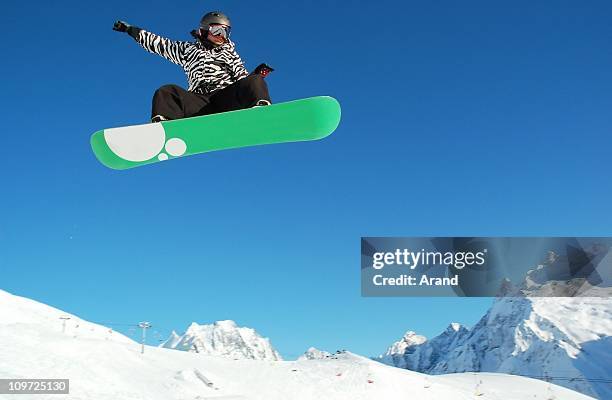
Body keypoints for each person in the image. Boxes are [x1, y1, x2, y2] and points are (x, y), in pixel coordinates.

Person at [113, 11, 272, 123]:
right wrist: (130, 30)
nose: (221, 35)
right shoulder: (187, 50)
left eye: (226, 32)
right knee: (167, 92)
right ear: (204, 30)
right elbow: (158, 44)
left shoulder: (230, 53)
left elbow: (241, 78)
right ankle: (164, 125)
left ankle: (261, 113)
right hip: (200, 103)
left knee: (255, 81)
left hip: (226, 99)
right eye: (217, 29)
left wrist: (255, 78)